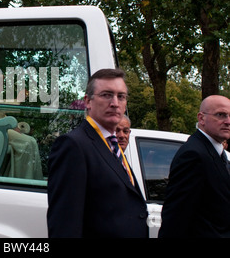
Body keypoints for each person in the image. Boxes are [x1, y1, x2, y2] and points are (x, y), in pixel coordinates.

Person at [47, 68, 148, 238]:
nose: (115, 103)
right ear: (88, 101)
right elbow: (64, 223)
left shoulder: (111, 144)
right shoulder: (73, 145)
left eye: (121, 96)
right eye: (107, 95)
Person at [159, 95, 230, 238]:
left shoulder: (216, 152)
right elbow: (176, 215)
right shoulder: (193, 155)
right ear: (201, 118)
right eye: (221, 115)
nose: (228, 121)